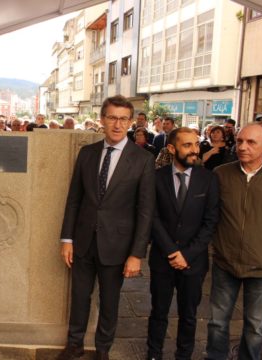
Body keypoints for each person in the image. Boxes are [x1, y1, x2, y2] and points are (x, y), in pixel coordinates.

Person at [58, 95, 156, 360]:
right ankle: (74, 345)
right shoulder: (87, 154)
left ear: (131, 123)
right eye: (112, 117)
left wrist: (137, 254)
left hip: (117, 246)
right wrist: (67, 238)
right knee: (79, 297)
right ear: (102, 120)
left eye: (123, 119)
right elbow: (74, 198)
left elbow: (146, 211)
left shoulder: (143, 159)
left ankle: (103, 350)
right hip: (83, 241)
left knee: (110, 302)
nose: (117, 124)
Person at [206, 123, 262, 360]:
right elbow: (210, 215)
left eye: (251, 142)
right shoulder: (221, 174)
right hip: (225, 264)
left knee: (255, 327)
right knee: (217, 322)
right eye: (239, 141)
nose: (243, 147)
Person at [147, 127, 219, 360]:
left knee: (189, 315)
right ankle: (154, 353)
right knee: (158, 312)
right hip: (162, 260)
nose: (194, 150)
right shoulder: (156, 178)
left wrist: (186, 255)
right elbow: (152, 217)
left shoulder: (208, 179)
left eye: (196, 144)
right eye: (187, 145)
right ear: (171, 148)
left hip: (193, 262)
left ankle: (184, 355)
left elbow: (210, 222)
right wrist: (171, 251)